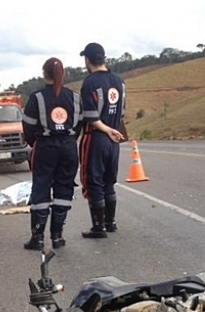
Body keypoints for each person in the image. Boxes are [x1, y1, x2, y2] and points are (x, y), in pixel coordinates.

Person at [21, 57, 82, 250]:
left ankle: (37, 238)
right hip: (69, 146)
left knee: (41, 188)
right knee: (64, 189)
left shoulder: (36, 97)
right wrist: (69, 140)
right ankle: (57, 237)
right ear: (63, 74)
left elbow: (28, 127)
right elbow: (80, 124)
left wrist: (34, 142)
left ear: (43, 73)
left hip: (45, 147)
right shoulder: (74, 97)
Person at [79, 42, 126, 238]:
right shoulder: (119, 81)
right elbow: (122, 112)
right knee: (109, 180)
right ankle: (110, 222)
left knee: (93, 181)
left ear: (87, 60)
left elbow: (91, 117)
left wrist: (106, 130)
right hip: (114, 138)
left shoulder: (89, 83)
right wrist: (113, 131)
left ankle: (98, 227)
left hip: (96, 137)